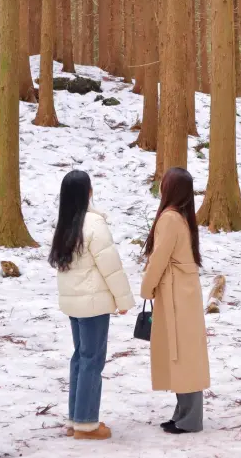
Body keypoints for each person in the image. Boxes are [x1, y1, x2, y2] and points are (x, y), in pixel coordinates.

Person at [49, 169, 135, 441]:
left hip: (74, 304)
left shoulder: (64, 224)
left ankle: (77, 418)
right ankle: (86, 423)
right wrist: (124, 300)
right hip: (93, 304)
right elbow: (111, 267)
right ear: (88, 193)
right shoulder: (94, 224)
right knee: (91, 360)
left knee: (80, 358)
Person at [141, 167, 210, 434]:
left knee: (184, 354)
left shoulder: (169, 219)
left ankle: (190, 418)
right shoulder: (180, 217)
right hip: (181, 291)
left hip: (177, 293)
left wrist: (146, 288)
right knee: (182, 354)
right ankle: (183, 414)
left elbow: (159, 258)